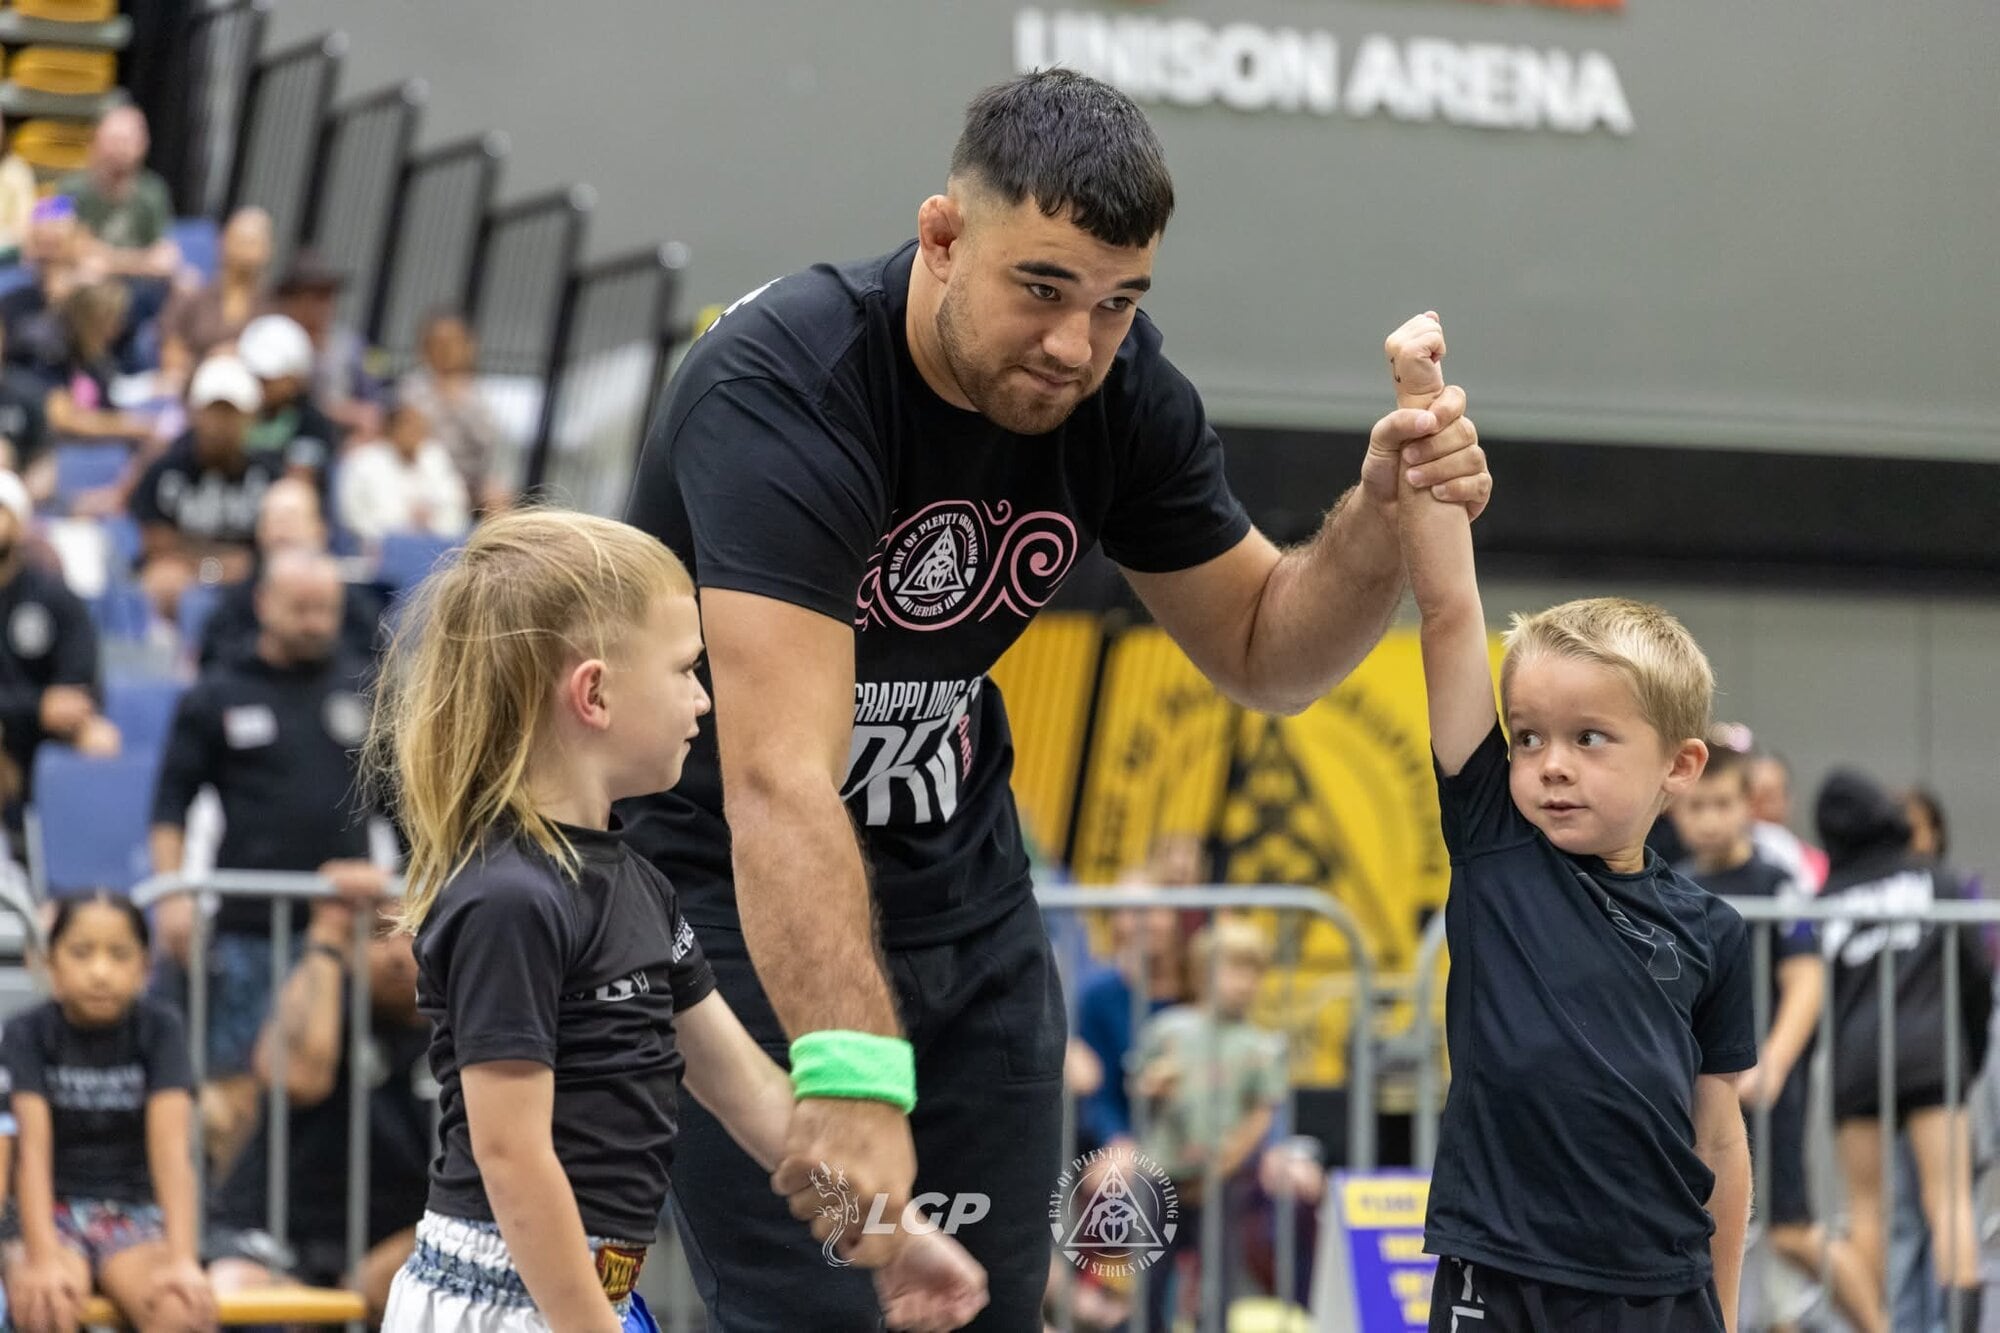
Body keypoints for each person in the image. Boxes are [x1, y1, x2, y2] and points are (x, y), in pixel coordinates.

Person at [618, 71, 1489, 1330]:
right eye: (1042, 288)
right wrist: (851, 1072)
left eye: (1118, 301)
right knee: (817, 1319)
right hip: (737, 901)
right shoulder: (787, 385)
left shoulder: (1116, 392)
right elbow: (777, 780)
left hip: (965, 907)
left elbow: (1264, 652)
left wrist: (1378, 518)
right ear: (941, 236)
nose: (1076, 345)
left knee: (979, 1312)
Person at [364, 508, 986, 1330]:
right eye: (687, 668)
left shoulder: (639, 885)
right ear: (593, 692)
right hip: (509, 1299)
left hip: (589, 1292)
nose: (704, 697)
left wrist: (892, 1233)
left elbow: (753, 1095)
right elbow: (512, 1157)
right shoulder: (509, 897)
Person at [1389, 315, 1753, 1330]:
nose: (1547, 765)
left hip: (1658, 1286)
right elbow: (1449, 612)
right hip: (1497, 1272)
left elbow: (1718, 1140)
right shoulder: (1494, 844)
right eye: (1528, 737)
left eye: (1588, 740)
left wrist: (1719, 1306)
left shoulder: (1712, 934)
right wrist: (1421, 408)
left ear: (1678, 766)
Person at [149, 549, 386, 1169]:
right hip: (249, 931)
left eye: (326, 610)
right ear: (264, 604)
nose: (314, 621)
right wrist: (173, 894)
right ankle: (233, 1224)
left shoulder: (367, 687)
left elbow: (407, 811)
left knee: (344, 1093)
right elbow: (170, 807)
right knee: (237, 1088)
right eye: (301, 608)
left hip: (353, 933)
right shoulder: (217, 694)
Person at [1673, 745, 1885, 1333]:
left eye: (1723, 803)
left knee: (1791, 1230)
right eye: (1697, 805)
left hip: (1766, 1086)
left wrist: (1773, 1065)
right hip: (1695, 1088)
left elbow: (1805, 983)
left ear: (1750, 806)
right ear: (1675, 809)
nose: (1710, 817)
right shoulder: (1673, 886)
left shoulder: (1777, 883)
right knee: (1714, 1227)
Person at [1815, 767, 1992, 1333]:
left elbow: (1815, 989)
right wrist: (1967, 1053)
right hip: (1931, 1056)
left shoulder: (1827, 898)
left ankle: (1874, 1326)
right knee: (1951, 1202)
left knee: (1866, 1210)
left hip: (1855, 1062)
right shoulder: (1933, 879)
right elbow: (1973, 972)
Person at [0, 894, 216, 1332]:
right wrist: (40, 1258)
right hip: (49, 1214)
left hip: (133, 1215)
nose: (100, 971)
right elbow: (31, 1155)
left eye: (119, 955)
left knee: (181, 1309)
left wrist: (181, 1259)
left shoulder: (161, 1029)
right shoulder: (26, 1033)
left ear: (145, 965)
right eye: (81, 953)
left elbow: (173, 1155)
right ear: (50, 963)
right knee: (47, 1305)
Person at [205, 898, 428, 1321]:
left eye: (414, 935)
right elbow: (298, 1077)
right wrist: (327, 935)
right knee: (233, 1293)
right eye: (380, 935)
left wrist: (411, 1249)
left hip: (402, 1242)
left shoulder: (467, 1029)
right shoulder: (322, 997)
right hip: (278, 1232)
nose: (399, 955)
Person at [1132, 916, 1288, 1329]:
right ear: (1203, 972)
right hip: (1161, 1175)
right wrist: (1154, 1085)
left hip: (1222, 1181)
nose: (1245, 983)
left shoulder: (1261, 1046)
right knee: (1151, 1276)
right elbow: (1139, 1082)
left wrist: (1233, 1156)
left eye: (1255, 972)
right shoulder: (1169, 1029)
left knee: (1218, 1282)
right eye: (1236, 969)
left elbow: (1263, 1109)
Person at [0, 469, 119, 834]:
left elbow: (79, 678)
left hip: (43, 729)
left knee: (101, 740)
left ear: (20, 523)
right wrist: (37, 706)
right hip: (18, 719)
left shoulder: (53, 595)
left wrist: (62, 706)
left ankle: (88, 866)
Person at [131, 355, 280, 619]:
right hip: (182, 574)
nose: (222, 424)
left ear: (251, 417)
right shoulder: (166, 470)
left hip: (249, 582)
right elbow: (158, 545)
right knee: (162, 580)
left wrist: (237, 564)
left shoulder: (268, 475)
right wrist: (215, 567)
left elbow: (271, 550)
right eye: (214, 411)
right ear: (194, 412)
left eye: (232, 413)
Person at [195, 477, 385, 670]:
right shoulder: (234, 606)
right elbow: (213, 670)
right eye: (273, 520)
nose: (282, 531)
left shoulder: (356, 607)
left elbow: (377, 674)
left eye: (292, 518)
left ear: (321, 531)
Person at [398, 309, 511, 511]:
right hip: (424, 474)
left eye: (453, 343)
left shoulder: (479, 395)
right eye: (438, 344)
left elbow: (492, 448)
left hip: (471, 481)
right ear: (425, 349)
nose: (446, 350)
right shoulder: (411, 390)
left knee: (497, 496)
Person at [54, 107, 181, 286]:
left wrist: (110, 262)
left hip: (137, 280)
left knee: (186, 284)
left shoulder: (154, 190)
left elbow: (165, 255)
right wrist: (141, 261)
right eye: (114, 140)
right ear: (95, 141)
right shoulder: (71, 188)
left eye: (128, 141)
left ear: (143, 145)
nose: (120, 149)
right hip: (90, 284)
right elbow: (69, 249)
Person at [158, 207, 272, 393]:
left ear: (268, 249)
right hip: (193, 389)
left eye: (255, 242)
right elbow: (172, 355)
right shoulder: (193, 296)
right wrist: (211, 363)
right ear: (222, 242)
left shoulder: (272, 307)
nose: (247, 251)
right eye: (241, 241)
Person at [269, 251, 379, 440]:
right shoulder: (273, 342)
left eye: (326, 295)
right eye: (311, 296)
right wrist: (338, 411)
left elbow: (372, 398)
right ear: (289, 300)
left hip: (342, 444)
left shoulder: (351, 344)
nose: (320, 306)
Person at [335, 397, 472, 547]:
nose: (415, 434)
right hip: (380, 547)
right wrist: (400, 529)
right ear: (391, 430)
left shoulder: (435, 456)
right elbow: (353, 516)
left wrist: (433, 520)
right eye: (408, 428)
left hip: (437, 543)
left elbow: (456, 501)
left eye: (419, 429)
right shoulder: (362, 461)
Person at [235, 313, 341, 484]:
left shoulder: (312, 425)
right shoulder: (234, 413)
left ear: (295, 378)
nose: (261, 384)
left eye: (269, 378)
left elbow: (300, 481)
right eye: (256, 375)